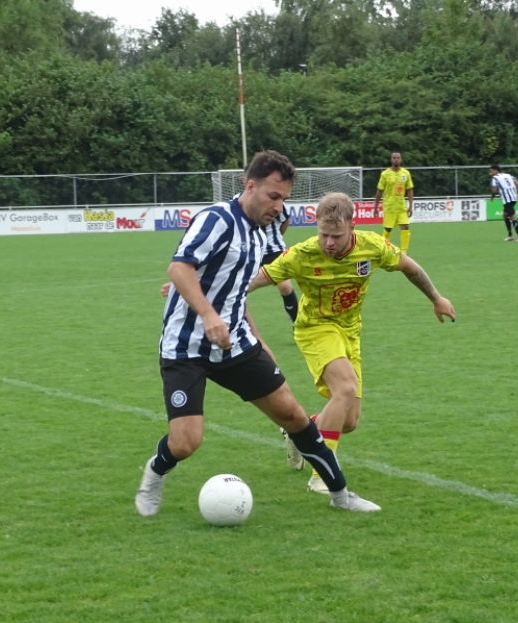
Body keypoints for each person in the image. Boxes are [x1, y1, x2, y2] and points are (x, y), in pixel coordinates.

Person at [136, 151, 380, 515]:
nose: (279, 207)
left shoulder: (267, 228)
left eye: (284, 198)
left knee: (294, 416)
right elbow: (179, 267)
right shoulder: (216, 219)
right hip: (185, 347)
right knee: (186, 442)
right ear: (250, 186)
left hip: (236, 346)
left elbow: (249, 281)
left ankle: (340, 495)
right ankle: (154, 474)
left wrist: (255, 335)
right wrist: (206, 312)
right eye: (273, 196)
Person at [248, 193, 456, 495]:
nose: (328, 242)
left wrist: (437, 298)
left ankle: (299, 433)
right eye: (323, 234)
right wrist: (197, 290)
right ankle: (323, 475)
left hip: (350, 332)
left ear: (352, 228)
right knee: (345, 388)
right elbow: (251, 281)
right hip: (315, 329)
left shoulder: (372, 246)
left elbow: (410, 267)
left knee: (349, 421)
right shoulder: (302, 254)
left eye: (336, 236)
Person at [160, 202, 299, 323]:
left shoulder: (277, 205)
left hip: (274, 251)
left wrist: (277, 236)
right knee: (234, 287)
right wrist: (184, 280)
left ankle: (296, 323)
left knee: (285, 286)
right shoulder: (236, 209)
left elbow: (284, 221)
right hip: (251, 251)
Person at [372, 152, 414, 253]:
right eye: (394, 158)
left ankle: (404, 252)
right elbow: (379, 191)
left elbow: (409, 190)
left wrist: (411, 206)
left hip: (401, 207)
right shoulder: (385, 174)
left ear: (401, 159)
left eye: (398, 158)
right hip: (389, 207)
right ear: (391, 160)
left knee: (405, 226)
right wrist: (376, 207)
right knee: (388, 230)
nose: (396, 159)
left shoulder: (406, 173)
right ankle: (383, 249)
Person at [489, 165, 518, 241]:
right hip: (513, 198)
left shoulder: (495, 178)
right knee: (505, 215)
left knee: (513, 217)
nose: (490, 173)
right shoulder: (508, 175)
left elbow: (494, 190)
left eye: (491, 171)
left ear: (496, 170)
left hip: (507, 200)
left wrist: (492, 197)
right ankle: (510, 235)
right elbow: (517, 184)